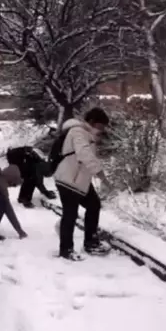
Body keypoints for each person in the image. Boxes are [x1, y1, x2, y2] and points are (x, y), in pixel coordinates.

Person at [53, 108, 112, 260]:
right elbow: (84, 154)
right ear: (92, 122)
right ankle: (66, 250)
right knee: (70, 214)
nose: (102, 129)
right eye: (100, 126)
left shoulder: (87, 134)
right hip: (68, 180)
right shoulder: (77, 132)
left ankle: (91, 242)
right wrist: (102, 176)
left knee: (94, 205)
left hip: (79, 181)